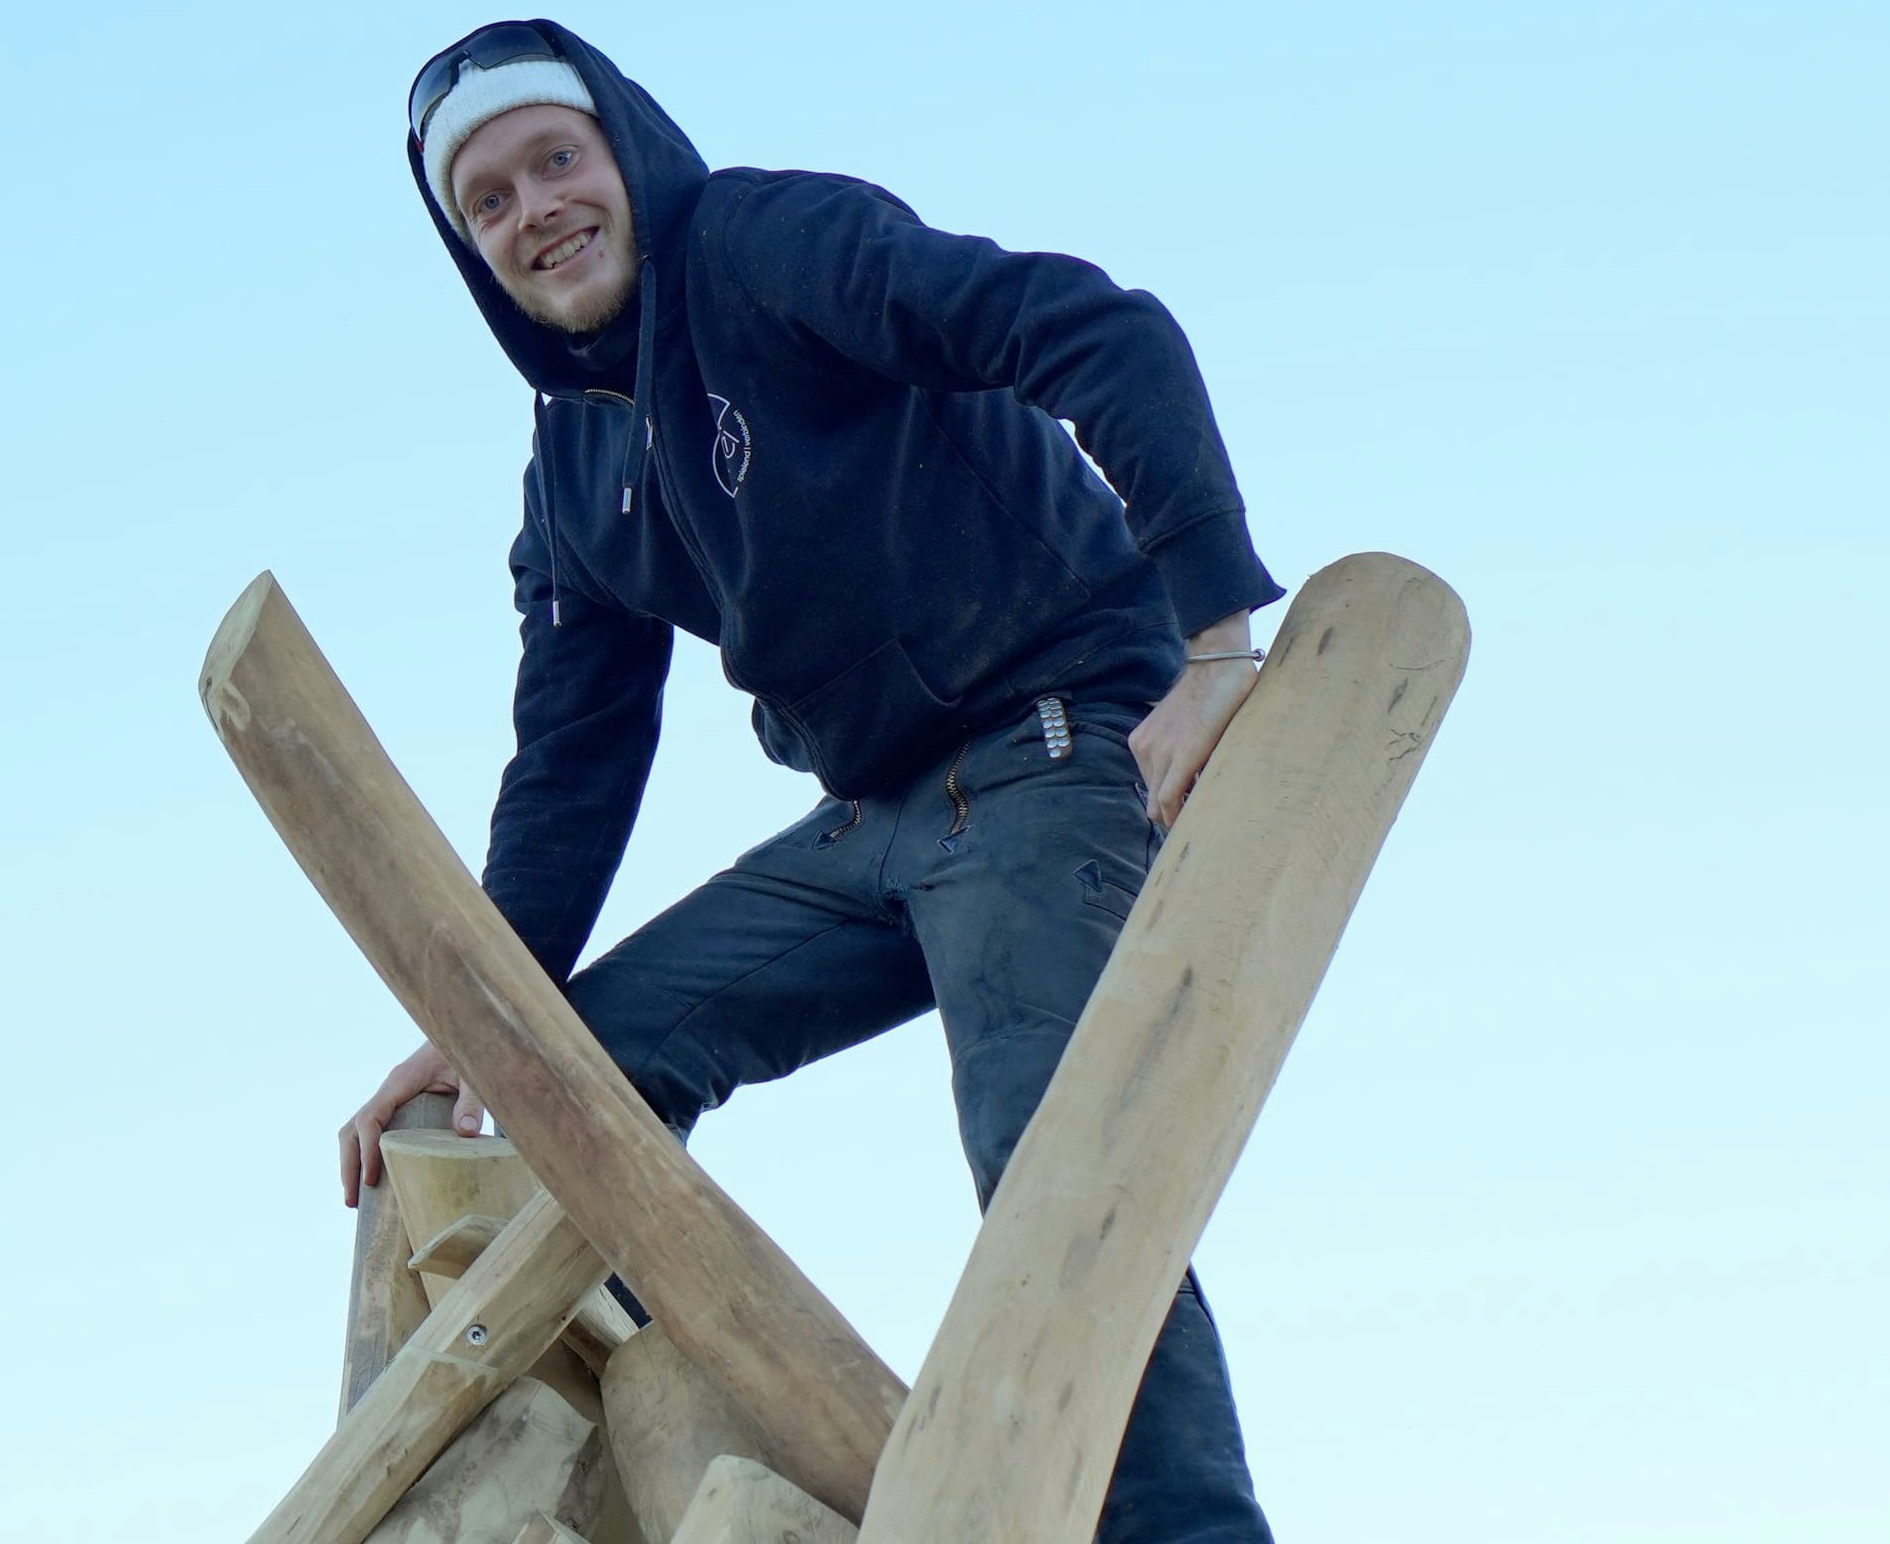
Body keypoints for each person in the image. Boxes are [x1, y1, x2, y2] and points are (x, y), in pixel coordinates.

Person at [338, 21, 1282, 1541]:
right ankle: (732, 1463)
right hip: (874, 818)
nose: (536, 212)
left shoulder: (765, 246)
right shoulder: (571, 475)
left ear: (622, 148)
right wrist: (475, 1024)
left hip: (1045, 741)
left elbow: (1095, 330)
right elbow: (573, 756)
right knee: (578, 1076)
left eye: (556, 160)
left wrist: (1214, 640)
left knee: (1054, 1174)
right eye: (489, 201)